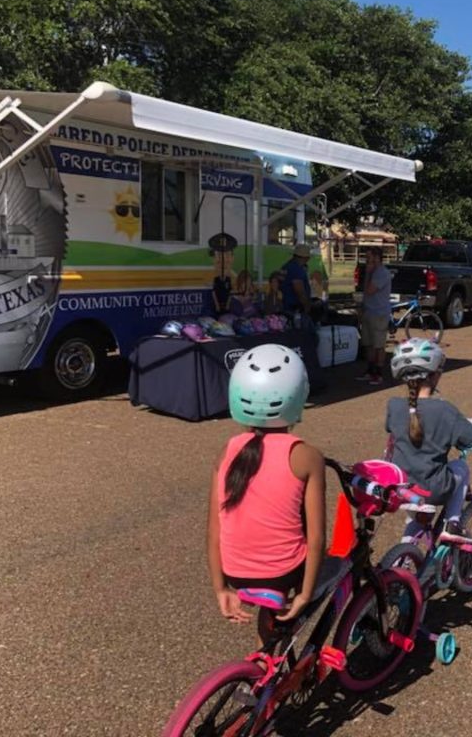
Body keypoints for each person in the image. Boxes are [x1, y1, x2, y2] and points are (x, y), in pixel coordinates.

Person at [207, 344, 326, 640]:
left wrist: (221, 588)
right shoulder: (306, 456)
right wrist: (305, 594)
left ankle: (264, 664)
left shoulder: (228, 451)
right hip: (283, 573)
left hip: (233, 571)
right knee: (333, 565)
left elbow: (214, 530)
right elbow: (316, 539)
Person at [386, 338, 472, 544]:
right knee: (460, 467)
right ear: (435, 375)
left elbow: (410, 427)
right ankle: (452, 524)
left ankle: (402, 559)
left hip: (400, 486)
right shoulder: (444, 410)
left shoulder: (394, 406)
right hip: (433, 487)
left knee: (417, 518)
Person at [356, 246, 392, 385]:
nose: (367, 260)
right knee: (368, 343)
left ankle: (379, 373)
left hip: (379, 313)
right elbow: (365, 293)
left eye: (369, 257)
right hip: (369, 311)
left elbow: (370, 290)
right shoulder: (371, 272)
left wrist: (369, 273)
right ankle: (370, 370)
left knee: (378, 345)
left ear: (377, 258)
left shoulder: (382, 273)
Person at [208, 232, 238, 315]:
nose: (223, 261)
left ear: (232, 258)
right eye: (219, 256)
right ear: (213, 259)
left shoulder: (234, 279)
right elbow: (213, 292)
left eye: (227, 255)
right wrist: (217, 305)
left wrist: (228, 305)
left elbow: (230, 292)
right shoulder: (213, 279)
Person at [280, 243, 312, 319]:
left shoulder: (287, 266)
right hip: (294, 307)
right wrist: (306, 305)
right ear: (305, 258)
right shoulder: (296, 269)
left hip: (286, 305)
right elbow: (299, 290)